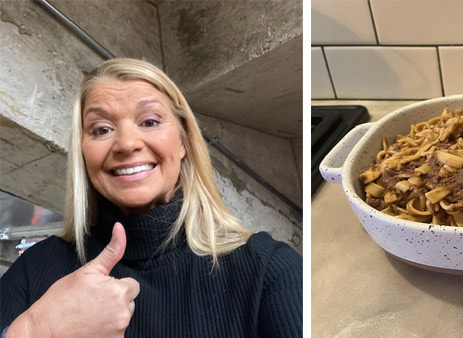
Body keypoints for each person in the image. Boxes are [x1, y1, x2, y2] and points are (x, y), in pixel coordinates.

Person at [0, 58, 302, 337]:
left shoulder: (270, 270)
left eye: (150, 122)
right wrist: (39, 329)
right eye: (102, 129)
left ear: (183, 141)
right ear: (82, 151)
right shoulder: (32, 271)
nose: (127, 143)